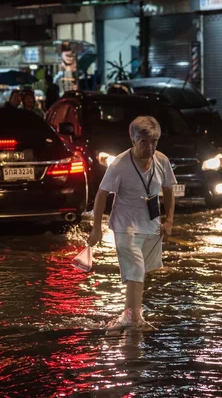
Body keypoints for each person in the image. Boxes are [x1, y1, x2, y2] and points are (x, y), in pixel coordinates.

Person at [87, 116, 177, 331]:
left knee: (140, 272)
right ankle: (134, 319)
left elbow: (169, 189)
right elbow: (101, 196)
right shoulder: (120, 164)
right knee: (136, 269)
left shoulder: (161, 161)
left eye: (154, 142)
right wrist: (96, 228)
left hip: (151, 225)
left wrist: (169, 220)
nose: (150, 147)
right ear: (133, 139)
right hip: (124, 225)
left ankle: (128, 314)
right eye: (144, 142)